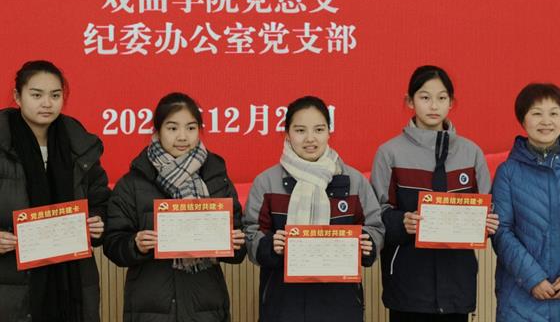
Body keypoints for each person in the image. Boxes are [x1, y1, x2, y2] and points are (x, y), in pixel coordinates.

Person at [371, 65, 499, 322]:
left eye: (441, 98)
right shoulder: (389, 153)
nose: (433, 105)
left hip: (457, 284)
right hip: (407, 285)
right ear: (410, 101)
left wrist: (488, 223)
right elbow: (376, 215)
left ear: (451, 102)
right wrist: (402, 222)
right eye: (424, 97)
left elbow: (486, 208)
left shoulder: (471, 153)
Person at [103, 92, 245, 322]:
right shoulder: (133, 183)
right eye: (172, 128)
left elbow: (240, 245)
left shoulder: (216, 178)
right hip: (150, 307)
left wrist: (235, 243)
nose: (182, 136)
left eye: (191, 128)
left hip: (206, 305)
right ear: (157, 130)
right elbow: (113, 243)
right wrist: (135, 244)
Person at [244, 95, 384, 322]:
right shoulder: (266, 182)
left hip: (341, 305)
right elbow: (251, 232)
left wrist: (367, 242)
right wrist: (270, 245)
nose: (310, 138)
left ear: (329, 132)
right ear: (287, 134)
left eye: (319, 130)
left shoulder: (354, 181)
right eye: (300, 130)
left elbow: (375, 226)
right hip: (283, 305)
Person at [0, 60, 110, 322]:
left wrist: (98, 221)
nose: (47, 103)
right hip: (11, 282)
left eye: (55, 95)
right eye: (36, 95)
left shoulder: (80, 145)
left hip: (73, 280)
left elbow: (101, 201)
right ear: (18, 96)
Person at [492, 83, 560, 321]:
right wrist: (532, 278)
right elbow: (501, 231)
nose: (546, 121)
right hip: (520, 301)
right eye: (537, 113)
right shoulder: (507, 172)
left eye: (553, 113)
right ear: (523, 119)